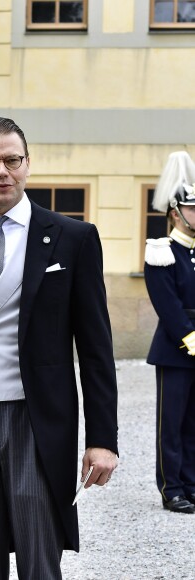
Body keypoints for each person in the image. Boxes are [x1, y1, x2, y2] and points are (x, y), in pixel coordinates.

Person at [0, 117, 119, 579]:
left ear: (28, 164)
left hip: (38, 418)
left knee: (38, 555)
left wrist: (102, 439)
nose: (1, 172)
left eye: (12, 160)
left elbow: (95, 349)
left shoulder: (73, 239)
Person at [144, 151, 195, 515]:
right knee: (172, 424)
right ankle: (171, 488)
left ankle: (192, 485)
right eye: (192, 209)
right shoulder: (161, 252)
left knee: (194, 423)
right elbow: (169, 307)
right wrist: (192, 341)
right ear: (176, 213)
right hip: (176, 350)